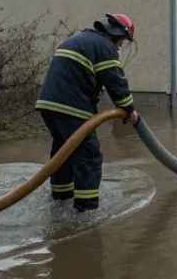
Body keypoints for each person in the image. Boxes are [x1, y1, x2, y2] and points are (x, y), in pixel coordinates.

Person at [36, 13, 140, 212]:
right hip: (71, 107)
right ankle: (87, 210)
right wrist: (130, 110)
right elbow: (114, 81)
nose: (120, 47)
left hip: (48, 104)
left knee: (63, 152)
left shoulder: (80, 39)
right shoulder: (104, 47)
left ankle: (61, 199)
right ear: (114, 35)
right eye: (121, 42)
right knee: (88, 155)